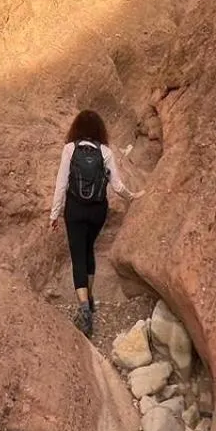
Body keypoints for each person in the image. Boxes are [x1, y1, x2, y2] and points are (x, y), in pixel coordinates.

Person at [48, 109, 130, 338]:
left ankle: (84, 308)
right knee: (88, 250)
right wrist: (133, 197)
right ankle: (90, 298)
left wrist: (54, 214)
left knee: (78, 256)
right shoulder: (105, 151)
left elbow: (61, 184)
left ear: (76, 128)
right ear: (99, 130)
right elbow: (117, 186)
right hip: (97, 211)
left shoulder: (70, 149)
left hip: (75, 210)